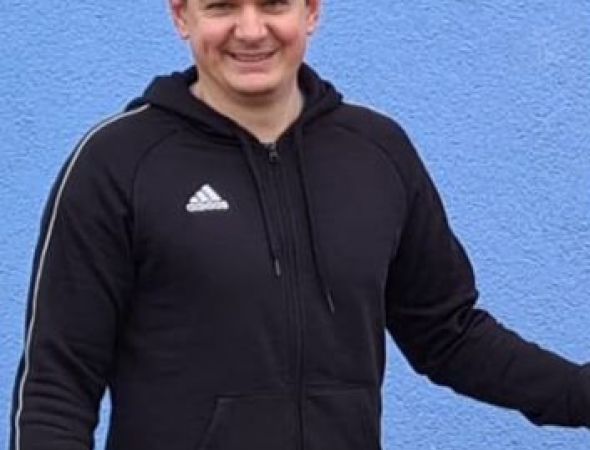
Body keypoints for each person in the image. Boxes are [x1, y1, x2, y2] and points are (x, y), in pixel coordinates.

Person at [9, 0, 590, 449]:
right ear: (181, 16)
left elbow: (450, 334)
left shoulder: (377, 152)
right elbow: (58, 382)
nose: (251, 30)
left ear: (311, 12)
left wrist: (579, 395)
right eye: (221, 7)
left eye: (273, 5)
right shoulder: (117, 162)